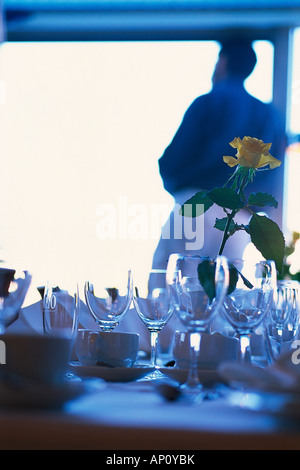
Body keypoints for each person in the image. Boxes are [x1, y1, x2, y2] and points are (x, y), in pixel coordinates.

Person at [152, 37, 287, 270]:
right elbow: (273, 176)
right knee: (223, 293)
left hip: (195, 202)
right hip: (239, 217)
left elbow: (171, 163)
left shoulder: (207, 102)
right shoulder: (269, 116)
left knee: (171, 290)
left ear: (222, 62)